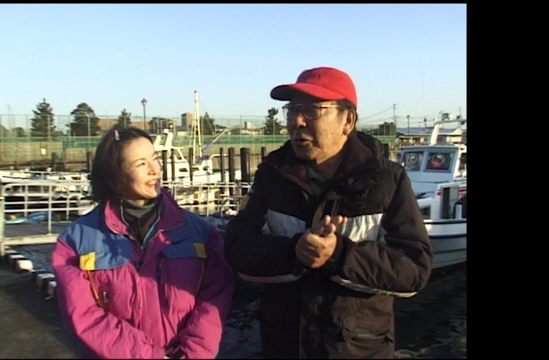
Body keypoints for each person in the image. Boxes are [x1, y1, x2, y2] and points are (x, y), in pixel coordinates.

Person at [224, 66, 433, 359]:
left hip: (358, 349)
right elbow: (236, 247)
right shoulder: (272, 176)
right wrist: (293, 252)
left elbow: (414, 270)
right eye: (292, 109)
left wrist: (338, 254)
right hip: (283, 346)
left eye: (312, 110)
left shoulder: (387, 181)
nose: (296, 121)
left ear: (347, 120)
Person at [52, 126, 235, 359]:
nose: (155, 170)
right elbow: (83, 315)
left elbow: (215, 296)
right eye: (140, 164)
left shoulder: (200, 233)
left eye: (155, 158)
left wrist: (191, 353)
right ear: (116, 178)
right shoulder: (74, 242)